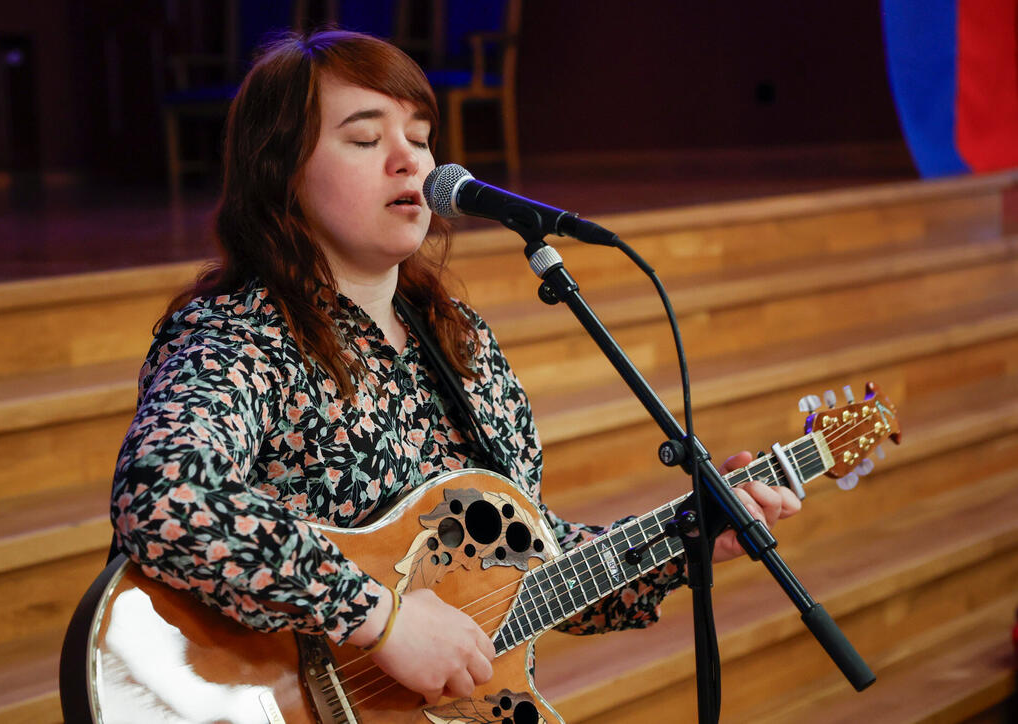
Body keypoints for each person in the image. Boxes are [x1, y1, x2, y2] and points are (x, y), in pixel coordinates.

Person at [110, 29, 801, 707]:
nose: (408, 161)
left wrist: (688, 541)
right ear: (279, 171)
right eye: (364, 137)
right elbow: (164, 496)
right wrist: (378, 618)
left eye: (419, 135)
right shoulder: (242, 336)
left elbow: (526, 570)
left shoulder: (461, 344)